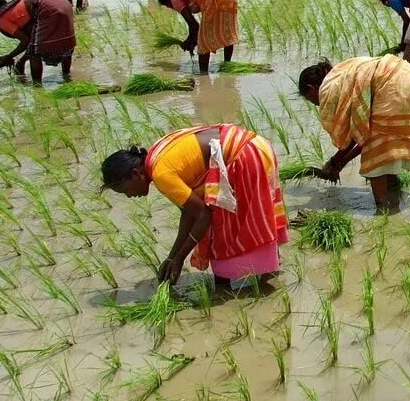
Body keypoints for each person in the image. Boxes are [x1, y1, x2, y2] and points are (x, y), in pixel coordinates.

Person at [100, 125, 288, 292]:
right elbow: (189, 213)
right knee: (238, 222)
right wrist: (171, 257)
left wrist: (180, 258)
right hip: (254, 145)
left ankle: (258, 280)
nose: (130, 196)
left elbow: (203, 215)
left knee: (234, 226)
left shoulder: (161, 174)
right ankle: (248, 278)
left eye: (125, 190)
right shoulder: (154, 155)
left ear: (135, 174)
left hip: (243, 156)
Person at [298, 56, 410, 213]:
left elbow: (358, 135)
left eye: (311, 100)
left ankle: (383, 214)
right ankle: (394, 206)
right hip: (408, 76)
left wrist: (334, 162)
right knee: (387, 151)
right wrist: (339, 163)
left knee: (375, 158)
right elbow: (364, 134)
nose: (316, 104)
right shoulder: (343, 73)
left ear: (311, 89)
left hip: (390, 86)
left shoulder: (330, 87)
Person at [0, 0, 77, 83]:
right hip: (64, 4)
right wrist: (21, 61)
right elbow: (32, 41)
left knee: (35, 54)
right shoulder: (9, 9)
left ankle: (37, 86)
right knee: (66, 42)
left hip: (47, 8)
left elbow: (26, 41)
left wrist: (9, 57)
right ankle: (66, 77)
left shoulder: (2, 20)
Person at [158, 0, 241, 74]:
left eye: (168, 6)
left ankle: (203, 76)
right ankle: (227, 67)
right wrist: (192, 41)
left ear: (167, 1)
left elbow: (194, 26)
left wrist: (188, 41)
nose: (171, 8)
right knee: (226, 32)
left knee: (203, 42)